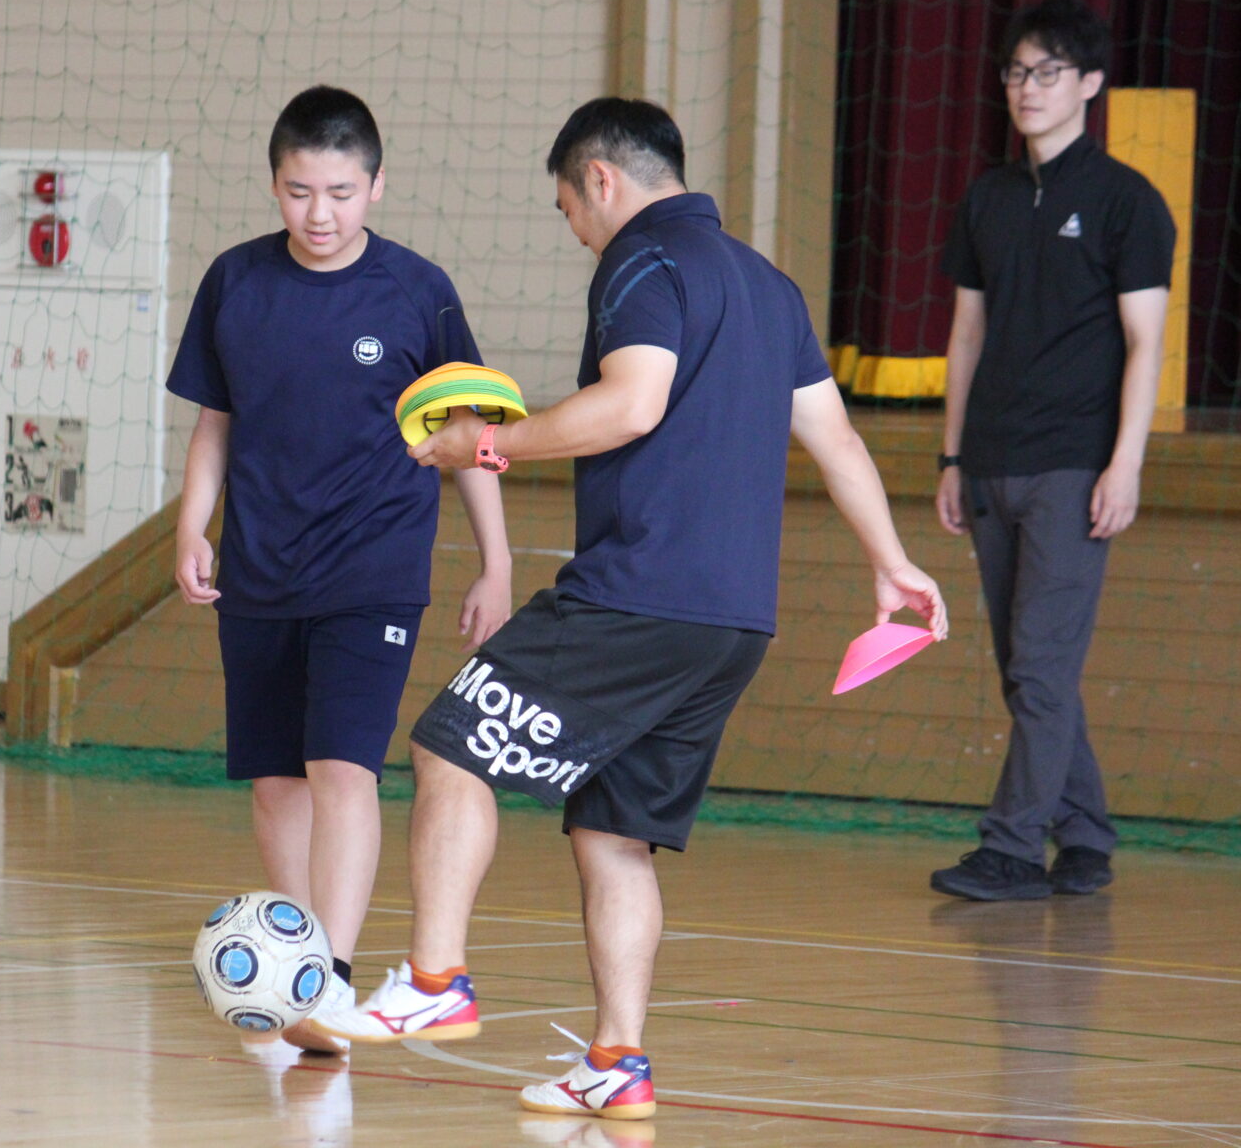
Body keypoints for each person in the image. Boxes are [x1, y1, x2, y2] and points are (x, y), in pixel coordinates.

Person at [311, 96, 948, 1122]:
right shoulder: (770, 285)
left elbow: (632, 404)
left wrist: (484, 446)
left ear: (600, 181)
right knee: (614, 834)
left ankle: (434, 982)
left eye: (568, 208)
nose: (575, 229)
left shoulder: (644, 264)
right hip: (733, 623)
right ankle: (617, 1061)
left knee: (449, 747)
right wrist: (892, 562)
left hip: (640, 594)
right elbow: (837, 442)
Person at [167, 85, 512, 1054]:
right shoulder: (235, 282)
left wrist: (495, 559)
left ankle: (333, 978)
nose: (319, 214)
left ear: (378, 186)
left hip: (374, 567)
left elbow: (466, 429)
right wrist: (193, 527)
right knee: (277, 780)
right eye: (298, 191)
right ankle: (296, 960)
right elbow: (214, 422)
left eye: (341, 192)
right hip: (260, 565)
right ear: (273, 185)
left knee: (341, 769)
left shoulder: (418, 290)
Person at [931, 0, 1174, 902]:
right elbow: (965, 334)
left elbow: (1146, 342)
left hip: (1077, 464)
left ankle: (1010, 848)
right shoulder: (989, 196)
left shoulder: (1125, 201)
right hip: (992, 460)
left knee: (1038, 665)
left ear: (1091, 84)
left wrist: (1127, 463)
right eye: (1015, 73)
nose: (1026, 89)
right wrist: (953, 459)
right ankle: (1085, 835)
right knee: (1030, 671)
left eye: (1047, 73)